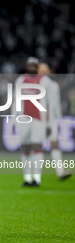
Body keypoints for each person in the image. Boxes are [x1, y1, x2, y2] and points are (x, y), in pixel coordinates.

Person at [11, 57, 53, 187]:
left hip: (39, 119)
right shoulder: (21, 80)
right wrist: (14, 120)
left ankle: (37, 179)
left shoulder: (44, 81)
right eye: (30, 65)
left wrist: (49, 123)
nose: (31, 68)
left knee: (37, 146)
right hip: (24, 118)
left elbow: (49, 103)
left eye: (34, 65)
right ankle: (27, 178)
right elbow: (15, 101)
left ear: (37, 66)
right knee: (25, 147)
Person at [38, 63, 72, 181]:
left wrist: (57, 119)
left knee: (48, 145)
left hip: (48, 119)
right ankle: (58, 172)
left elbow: (54, 105)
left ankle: (59, 172)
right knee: (48, 145)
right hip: (44, 120)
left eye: (45, 69)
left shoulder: (50, 84)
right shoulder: (47, 84)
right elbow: (46, 104)